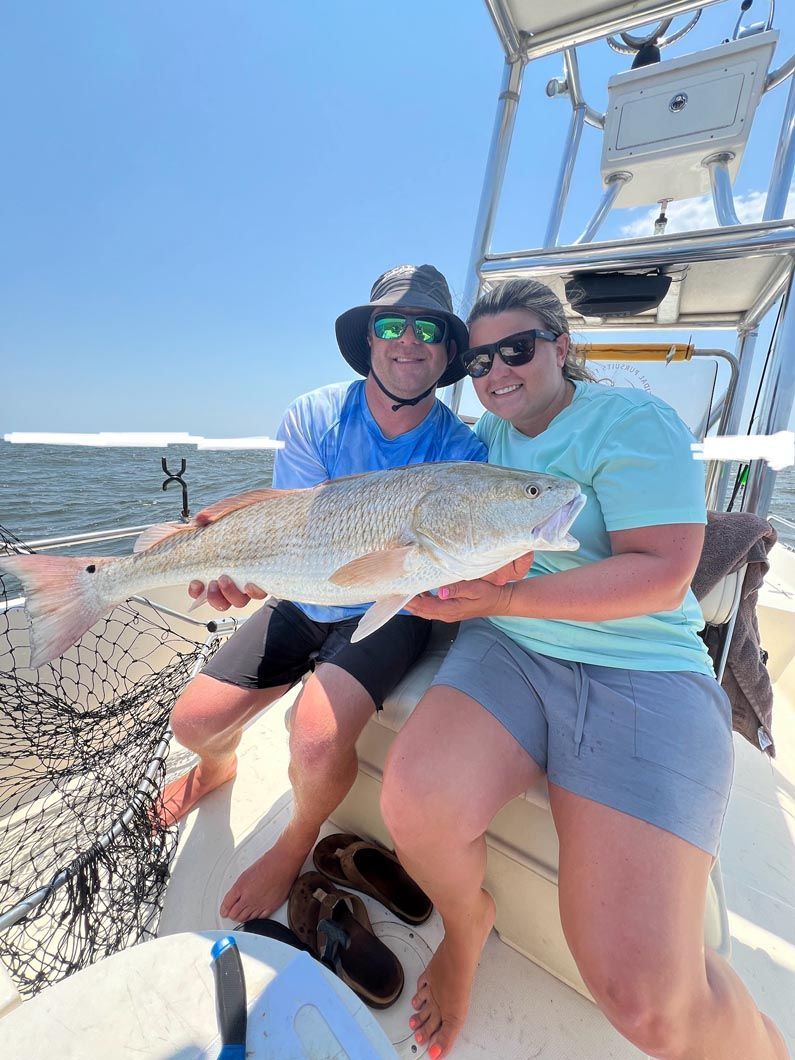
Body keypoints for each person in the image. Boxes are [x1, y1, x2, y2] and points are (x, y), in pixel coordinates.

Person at [381, 278, 787, 1059]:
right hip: (510, 653)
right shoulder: (487, 440)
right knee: (416, 805)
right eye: (478, 359)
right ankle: (466, 928)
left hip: (641, 670)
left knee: (647, 1001)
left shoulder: (631, 421)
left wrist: (500, 600)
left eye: (517, 349)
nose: (496, 370)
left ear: (561, 347)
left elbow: (663, 575)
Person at [161, 264, 487, 923]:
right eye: (390, 324)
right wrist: (239, 569)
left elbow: (442, 558)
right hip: (303, 595)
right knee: (191, 721)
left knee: (312, 737)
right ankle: (217, 765)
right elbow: (294, 524)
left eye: (428, 328)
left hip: (388, 607)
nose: (408, 340)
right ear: (368, 340)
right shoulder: (314, 414)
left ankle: (296, 840)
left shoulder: (463, 448)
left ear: (448, 351)